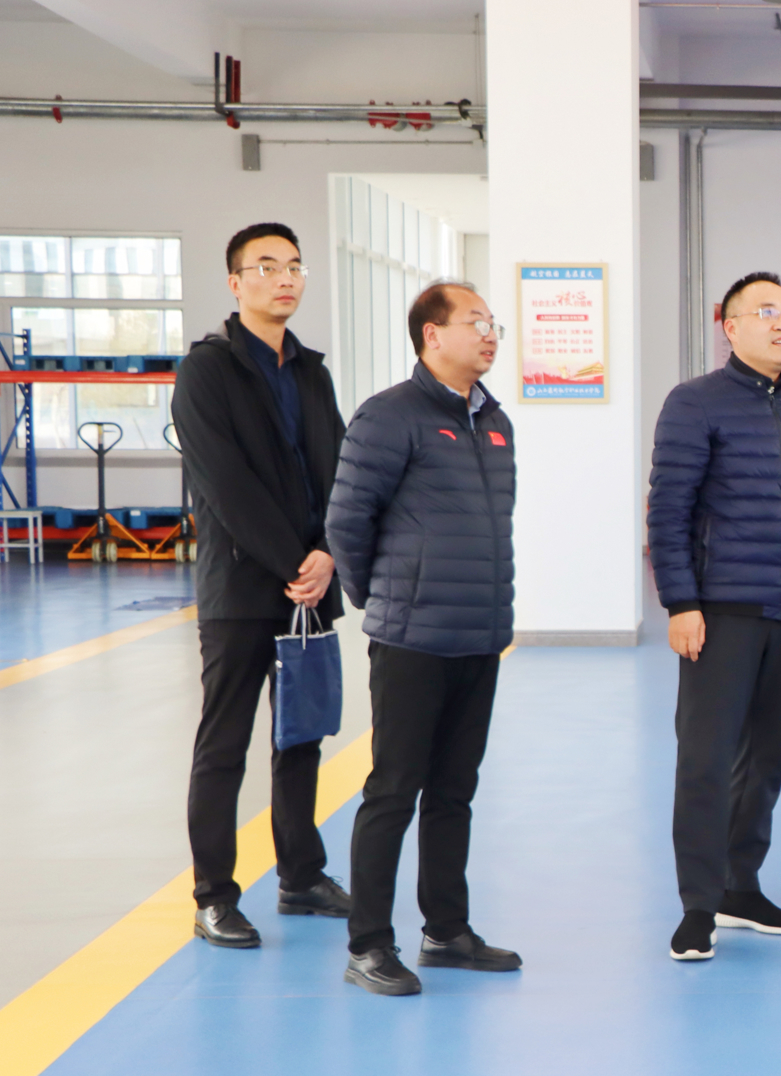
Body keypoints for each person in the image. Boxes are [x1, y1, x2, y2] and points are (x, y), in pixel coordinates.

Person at [649, 272, 781, 962]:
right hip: (722, 612)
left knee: (767, 759)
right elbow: (669, 511)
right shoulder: (695, 402)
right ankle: (697, 906)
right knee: (706, 761)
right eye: (766, 311)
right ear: (730, 326)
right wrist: (681, 603)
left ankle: (740, 888)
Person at [325, 282, 520, 996]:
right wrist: (381, 598)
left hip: (479, 634)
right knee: (393, 789)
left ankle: (446, 931)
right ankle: (369, 944)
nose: (490, 334)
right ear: (432, 335)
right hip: (412, 637)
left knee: (454, 790)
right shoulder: (390, 415)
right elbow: (347, 521)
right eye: (475, 322)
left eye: (493, 324)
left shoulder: (494, 420)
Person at [173, 222, 350, 949]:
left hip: (310, 584)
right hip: (243, 589)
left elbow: (339, 469)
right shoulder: (206, 371)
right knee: (225, 744)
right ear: (235, 282)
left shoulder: (311, 372)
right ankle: (214, 895)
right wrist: (295, 562)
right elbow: (225, 484)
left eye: (295, 266)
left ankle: (301, 875)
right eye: (268, 266)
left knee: (301, 736)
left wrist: (328, 552)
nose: (285, 279)